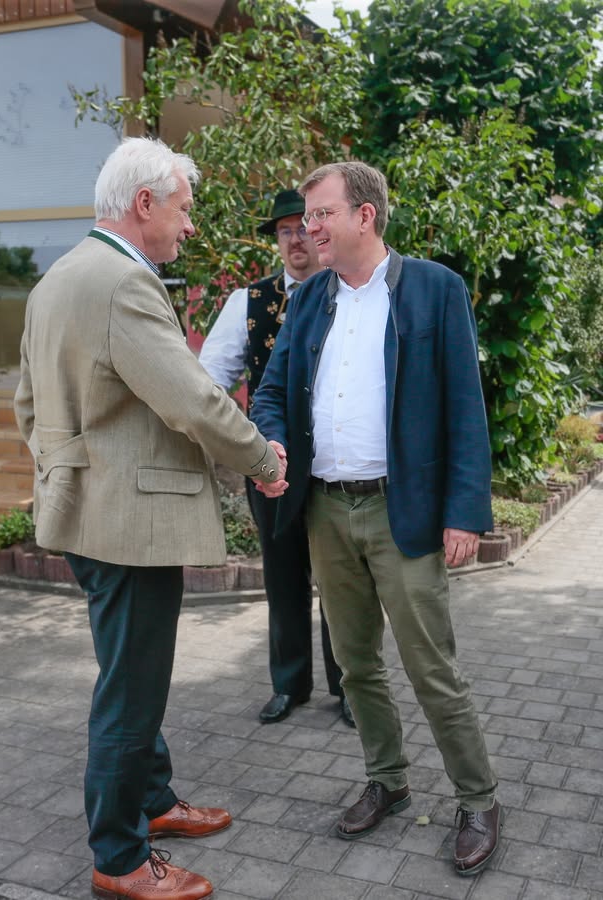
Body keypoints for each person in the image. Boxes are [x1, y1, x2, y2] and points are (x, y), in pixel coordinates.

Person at [14, 137, 287, 900]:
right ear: (144, 204)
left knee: (127, 673)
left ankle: (155, 800)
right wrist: (262, 460)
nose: (189, 225)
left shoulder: (58, 277)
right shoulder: (123, 284)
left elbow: (27, 407)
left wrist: (70, 472)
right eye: (184, 208)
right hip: (129, 528)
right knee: (130, 694)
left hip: (86, 518)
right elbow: (192, 399)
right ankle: (120, 857)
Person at [251, 161, 501, 877]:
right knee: (356, 664)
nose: (309, 229)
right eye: (306, 218)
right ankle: (387, 779)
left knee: (430, 666)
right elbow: (271, 391)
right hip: (327, 509)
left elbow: (465, 408)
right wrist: (271, 439)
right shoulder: (309, 299)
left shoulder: (434, 289)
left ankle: (478, 799)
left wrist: (464, 513)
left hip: (405, 510)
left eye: (322, 214)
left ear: (365, 215)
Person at [199, 189, 353, 728]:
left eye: (303, 227)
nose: (295, 239)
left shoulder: (348, 294)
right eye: (285, 231)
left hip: (335, 464)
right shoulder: (250, 302)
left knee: (341, 579)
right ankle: (289, 684)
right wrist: (244, 441)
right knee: (282, 574)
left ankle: (350, 686)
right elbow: (208, 382)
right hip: (271, 466)